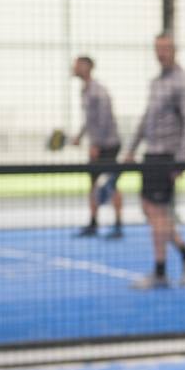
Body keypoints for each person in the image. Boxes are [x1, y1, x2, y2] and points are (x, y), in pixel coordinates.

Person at [125, 33, 185, 290]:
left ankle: (161, 272)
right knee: (150, 210)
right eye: (157, 48)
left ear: (175, 50)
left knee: (157, 212)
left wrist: (181, 160)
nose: (161, 53)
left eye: (166, 48)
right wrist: (131, 149)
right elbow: (146, 118)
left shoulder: (184, 83)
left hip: (166, 156)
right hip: (151, 154)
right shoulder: (156, 83)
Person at [70, 55, 124, 239]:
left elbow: (104, 118)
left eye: (77, 64)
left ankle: (118, 225)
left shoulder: (97, 91)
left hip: (108, 145)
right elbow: (89, 120)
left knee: (111, 184)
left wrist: (97, 144)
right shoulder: (84, 90)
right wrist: (80, 136)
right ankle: (93, 223)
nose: (73, 67)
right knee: (93, 183)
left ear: (87, 67)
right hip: (97, 145)